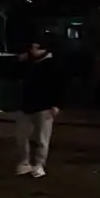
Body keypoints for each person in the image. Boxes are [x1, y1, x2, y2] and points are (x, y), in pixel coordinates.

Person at [16, 33, 63, 178]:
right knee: (21, 137)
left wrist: (56, 104)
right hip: (27, 105)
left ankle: (39, 164)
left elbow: (58, 86)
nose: (33, 50)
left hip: (44, 106)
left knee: (42, 138)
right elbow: (13, 74)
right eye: (32, 47)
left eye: (36, 48)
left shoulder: (51, 65)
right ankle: (25, 163)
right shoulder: (28, 63)